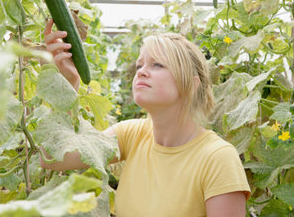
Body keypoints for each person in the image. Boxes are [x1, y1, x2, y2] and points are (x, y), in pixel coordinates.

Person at [42, 19, 251, 217]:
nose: (141, 72)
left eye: (157, 65)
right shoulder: (131, 135)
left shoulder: (218, 158)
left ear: (192, 85)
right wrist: (68, 84)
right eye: (139, 65)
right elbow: (53, 158)